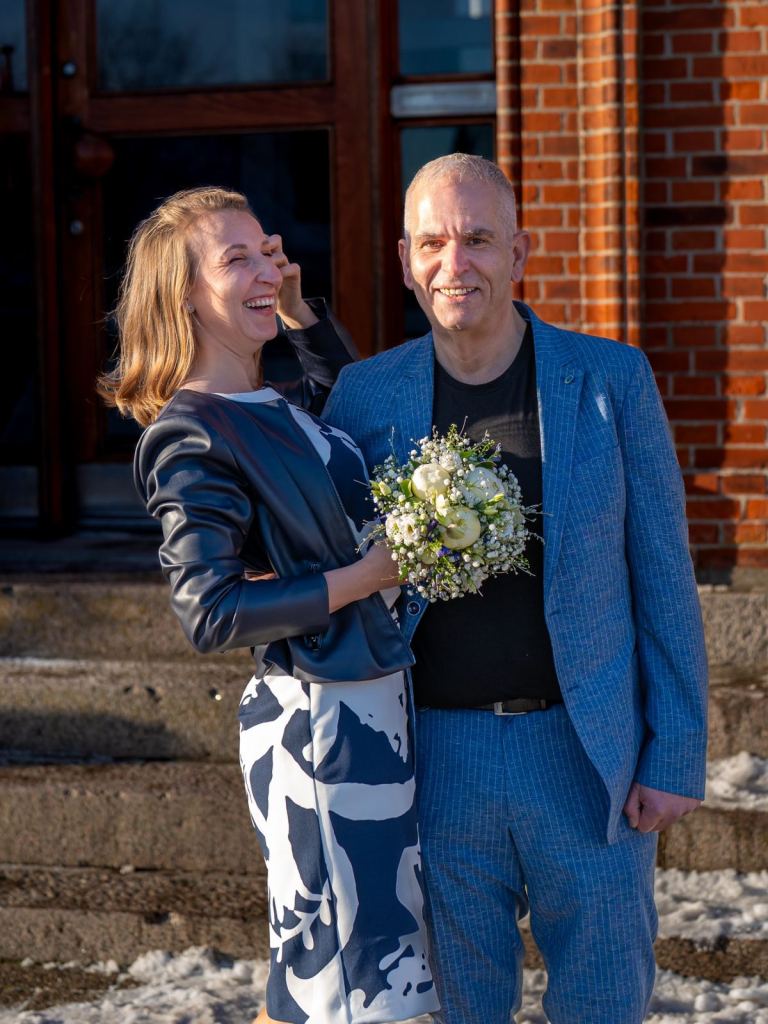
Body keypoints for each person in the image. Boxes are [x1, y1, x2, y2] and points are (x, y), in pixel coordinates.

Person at [323, 153, 708, 1024]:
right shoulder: (365, 395)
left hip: (585, 748)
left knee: (607, 996)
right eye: (433, 242)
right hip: (436, 755)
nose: (454, 263)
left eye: (478, 239)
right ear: (404, 258)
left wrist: (675, 750)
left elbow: (664, 576)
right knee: (463, 1004)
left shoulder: (611, 381)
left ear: (520, 251)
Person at [98, 186, 439, 1024]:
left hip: (369, 709)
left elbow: (348, 403)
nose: (263, 267)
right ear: (182, 293)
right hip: (319, 725)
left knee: (364, 970)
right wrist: (370, 574)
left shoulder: (273, 404)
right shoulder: (189, 433)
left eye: (266, 249)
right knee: (351, 987)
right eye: (235, 259)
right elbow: (209, 611)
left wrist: (294, 312)